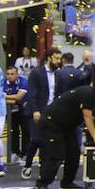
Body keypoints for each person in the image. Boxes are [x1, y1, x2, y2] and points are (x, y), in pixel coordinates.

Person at [32, 82, 95, 189]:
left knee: (74, 152)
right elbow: (87, 117)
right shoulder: (88, 93)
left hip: (66, 126)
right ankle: (41, 184)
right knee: (57, 154)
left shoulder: (91, 94)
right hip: (52, 124)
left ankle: (67, 183)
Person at [23, 48, 62, 180]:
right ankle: (28, 164)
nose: (58, 61)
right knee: (36, 140)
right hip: (38, 111)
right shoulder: (36, 72)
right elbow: (32, 93)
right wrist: (35, 110)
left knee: (47, 142)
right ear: (49, 58)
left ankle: (43, 171)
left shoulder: (58, 74)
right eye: (56, 58)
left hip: (52, 113)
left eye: (60, 59)